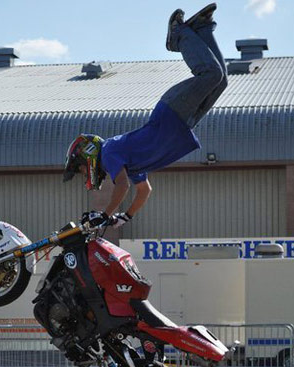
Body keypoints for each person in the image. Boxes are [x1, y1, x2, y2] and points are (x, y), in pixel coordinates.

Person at [63, 3, 227, 229]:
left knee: (211, 74)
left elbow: (122, 187)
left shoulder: (108, 152)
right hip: (181, 123)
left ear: (86, 156)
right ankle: (202, 29)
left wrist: (104, 214)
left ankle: (178, 37)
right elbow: (144, 190)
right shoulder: (129, 164)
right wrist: (126, 216)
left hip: (170, 113)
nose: (84, 174)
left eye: (80, 169)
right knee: (220, 79)